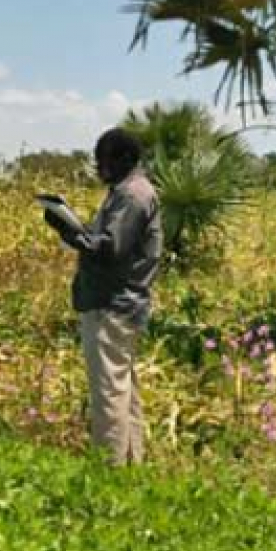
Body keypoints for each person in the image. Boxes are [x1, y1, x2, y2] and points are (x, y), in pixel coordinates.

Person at [43, 128, 162, 466]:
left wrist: (68, 231)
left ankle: (108, 471)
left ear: (124, 159)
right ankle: (129, 465)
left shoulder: (132, 196)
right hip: (119, 304)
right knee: (123, 390)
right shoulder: (127, 192)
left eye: (104, 160)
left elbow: (110, 249)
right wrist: (74, 231)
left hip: (112, 304)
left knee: (108, 392)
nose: (99, 168)